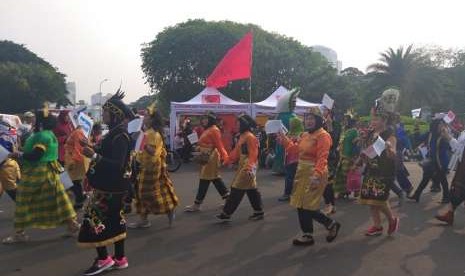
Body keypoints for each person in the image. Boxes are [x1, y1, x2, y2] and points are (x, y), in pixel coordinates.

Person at [2, 107, 79, 244]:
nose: (33, 121)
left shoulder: (42, 136)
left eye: (36, 119)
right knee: (59, 200)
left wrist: (18, 154)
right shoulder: (49, 134)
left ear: (41, 121)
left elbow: (35, 155)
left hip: (38, 172)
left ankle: (20, 234)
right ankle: (72, 225)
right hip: (50, 171)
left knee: (23, 200)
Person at [77, 90, 134, 275]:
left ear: (115, 114)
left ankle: (103, 259)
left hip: (111, 187)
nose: (103, 116)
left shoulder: (121, 136)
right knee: (115, 220)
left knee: (92, 218)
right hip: (113, 186)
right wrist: (91, 147)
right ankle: (120, 258)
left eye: (106, 113)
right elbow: (107, 154)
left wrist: (93, 155)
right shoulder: (116, 133)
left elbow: (117, 164)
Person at [279, 106, 341, 246]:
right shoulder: (305, 135)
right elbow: (295, 150)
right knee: (300, 204)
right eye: (306, 118)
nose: (308, 121)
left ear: (318, 120)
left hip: (315, 172)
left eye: (312, 118)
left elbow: (322, 157)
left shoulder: (323, 135)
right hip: (302, 172)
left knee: (308, 205)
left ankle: (330, 224)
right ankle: (308, 234)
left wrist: (317, 175)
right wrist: (284, 140)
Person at [129, 104, 178, 228]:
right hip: (146, 166)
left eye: (146, 116)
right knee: (144, 193)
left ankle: (168, 210)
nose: (143, 117)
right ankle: (144, 220)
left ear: (151, 119)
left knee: (150, 193)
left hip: (152, 167)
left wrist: (142, 142)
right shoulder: (147, 132)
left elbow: (152, 151)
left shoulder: (152, 134)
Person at [357, 108, 399, 237]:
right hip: (371, 169)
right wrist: (359, 160)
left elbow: (393, 155)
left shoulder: (389, 134)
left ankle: (392, 219)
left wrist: (389, 149)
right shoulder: (371, 133)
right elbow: (367, 151)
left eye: (376, 119)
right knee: (371, 200)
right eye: (372, 118)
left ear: (384, 120)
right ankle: (377, 226)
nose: (373, 121)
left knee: (379, 199)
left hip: (384, 172)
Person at [216, 114, 264, 222]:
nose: (236, 125)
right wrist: (227, 161)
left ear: (243, 124)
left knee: (236, 188)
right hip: (244, 164)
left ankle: (226, 213)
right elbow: (236, 152)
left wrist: (249, 167)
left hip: (247, 165)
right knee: (251, 189)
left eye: (238, 123)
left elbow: (253, 154)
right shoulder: (242, 136)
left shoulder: (250, 137)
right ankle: (258, 211)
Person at [185, 112, 230, 212]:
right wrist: (198, 146)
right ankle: (228, 199)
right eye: (203, 118)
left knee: (205, 179)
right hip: (206, 155)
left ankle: (197, 204)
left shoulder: (214, 129)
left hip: (210, 157)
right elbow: (206, 143)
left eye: (206, 118)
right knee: (215, 179)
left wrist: (225, 157)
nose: (204, 120)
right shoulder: (209, 129)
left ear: (211, 119)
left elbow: (219, 145)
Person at [407, 119, 451, 203]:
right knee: (425, 179)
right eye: (440, 124)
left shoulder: (444, 136)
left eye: (442, 124)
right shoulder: (429, 134)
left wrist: (446, 136)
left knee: (443, 180)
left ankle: (446, 197)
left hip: (441, 163)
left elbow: (445, 149)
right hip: (432, 162)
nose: (442, 126)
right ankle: (417, 195)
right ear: (435, 125)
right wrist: (416, 128)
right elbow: (418, 138)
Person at [435, 125, 465, 225]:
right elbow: (459, 148)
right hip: (462, 166)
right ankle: (450, 215)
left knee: (458, 190)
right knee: (457, 190)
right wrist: (448, 137)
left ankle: (450, 215)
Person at [273, 89, 299, 175]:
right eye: (293, 102)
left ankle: (283, 169)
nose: (295, 104)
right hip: (284, 139)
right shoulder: (291, 116)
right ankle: (282, 169)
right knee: (282, 153)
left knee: (286, 153)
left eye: (295, 102)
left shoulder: (282, 115)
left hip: (289, 140)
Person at [278, 117, 304, 202]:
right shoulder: (290, 133)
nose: (290, 124)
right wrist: (280, 138)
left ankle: (288, 194)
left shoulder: (301, 134)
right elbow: (284, 143)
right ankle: (293, 193)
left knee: (291, 177)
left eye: (292, 123)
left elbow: (293, 146)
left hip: (295, 159)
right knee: (291, 177)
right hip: (289, 158)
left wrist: (284, 138)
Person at [64, 125, 90, 210]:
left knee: (74, 181)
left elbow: (77, 148)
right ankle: (80, 198)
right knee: (74, 181)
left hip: (75, 160)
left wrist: (73, 161)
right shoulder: (79, 132)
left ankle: (79, 200)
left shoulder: (77, 132)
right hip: (74, 159)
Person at [333, 114, 359, 198]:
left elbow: (357, 143)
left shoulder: (354, 131)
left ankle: (356, 189)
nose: (345, 121)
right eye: (344, 119)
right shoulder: (344, 130)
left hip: (350, 156)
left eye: (346, 120)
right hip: (342, 155)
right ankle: (343, 191)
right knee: (340, 173)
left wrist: (358, 140)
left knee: (348, 173)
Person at [0, 120, 20, 201]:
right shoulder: (11, 133)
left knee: (12, 191)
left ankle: (26, 208)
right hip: (10, 164)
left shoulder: (3, 137)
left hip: (5, 166)